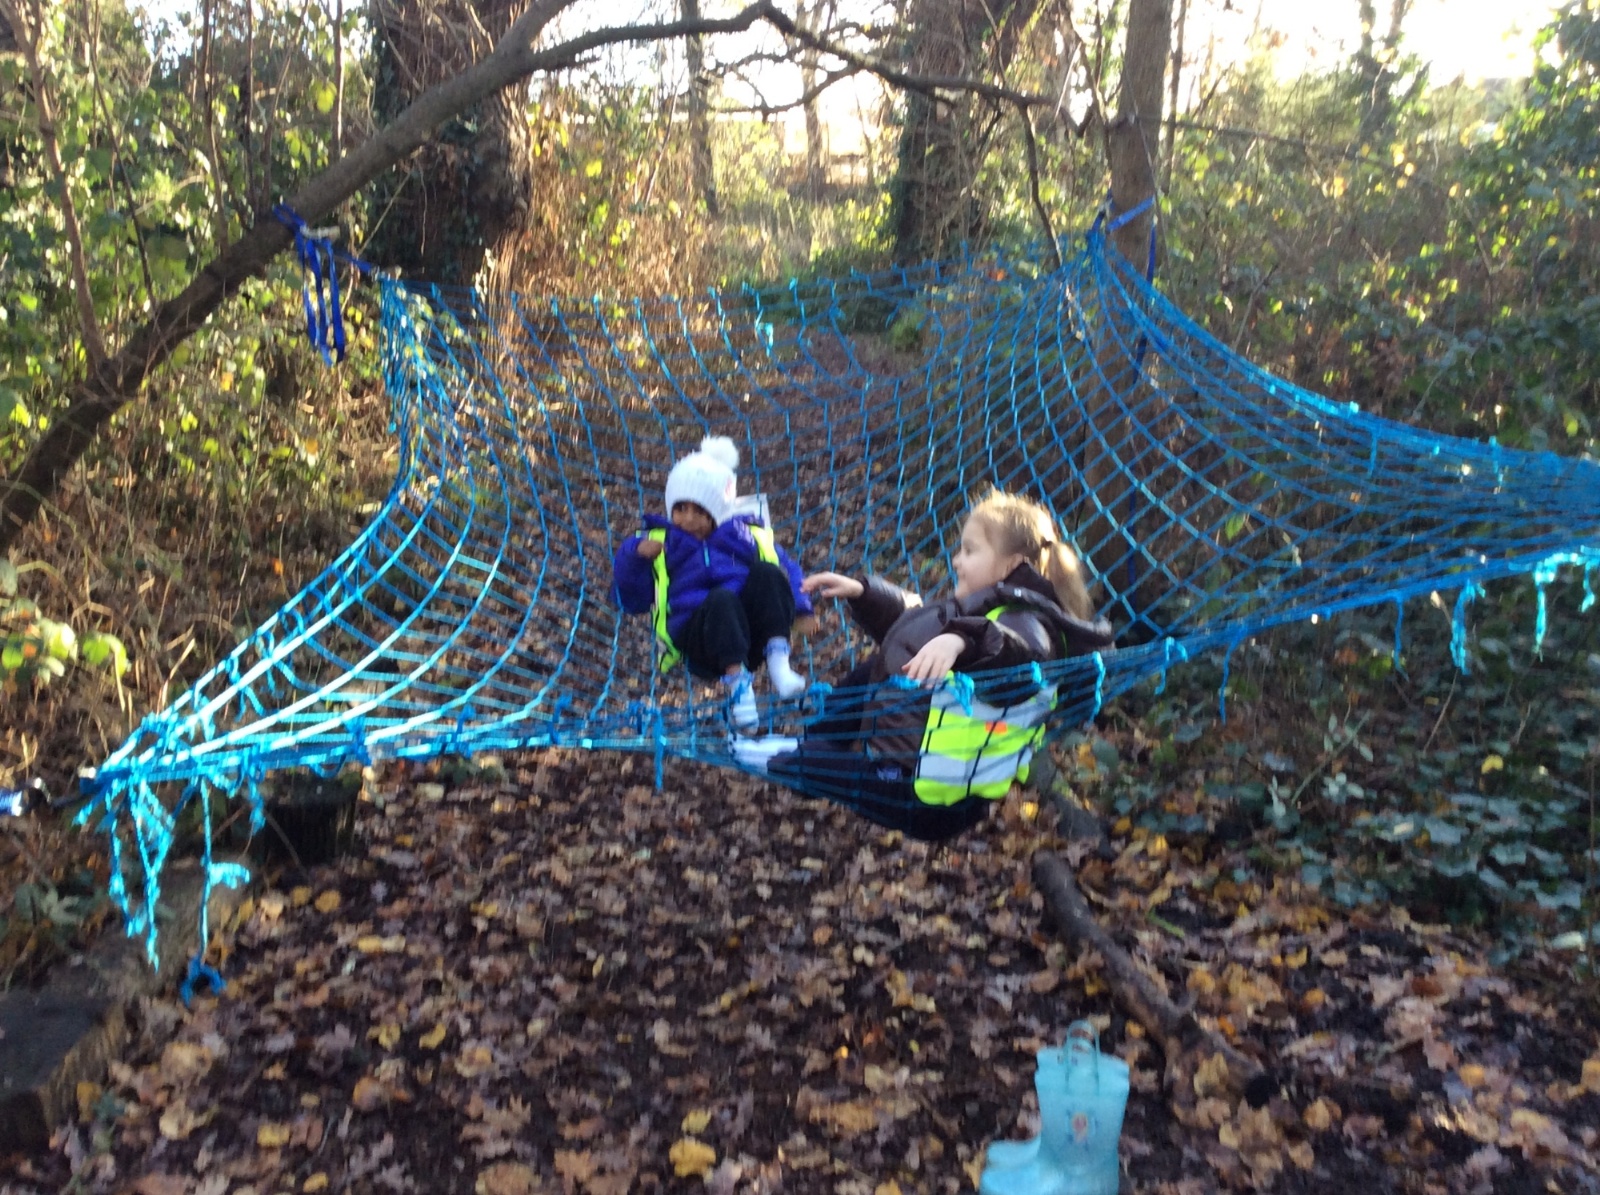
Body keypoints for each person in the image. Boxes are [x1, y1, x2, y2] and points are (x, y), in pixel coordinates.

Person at [731, 488, 1114, 841]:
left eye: (970, 551)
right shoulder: (984, 610)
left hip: (934, 798)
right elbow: (915, 627)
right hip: (918, 777)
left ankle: (786, 760)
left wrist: (962, 639)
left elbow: (1020, 653)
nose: (957, 560)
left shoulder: (1029, 622)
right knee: (882, 666)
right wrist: (864, 593)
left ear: (1011, 565)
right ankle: (812, 747)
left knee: (840, 772)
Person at [613, 435, 816, 727]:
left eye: (699, 511)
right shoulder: (662, 544)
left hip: (750, 633)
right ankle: (740, 693)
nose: (688, 519)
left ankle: (779, 665)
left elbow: (787, 569)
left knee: (768, 573)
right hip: (699, 639)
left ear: (717, 512)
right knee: (721, 599)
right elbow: (629, 599)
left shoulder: (744, 535)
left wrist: (802, 607)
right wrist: (634, 557)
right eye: (680, 509)